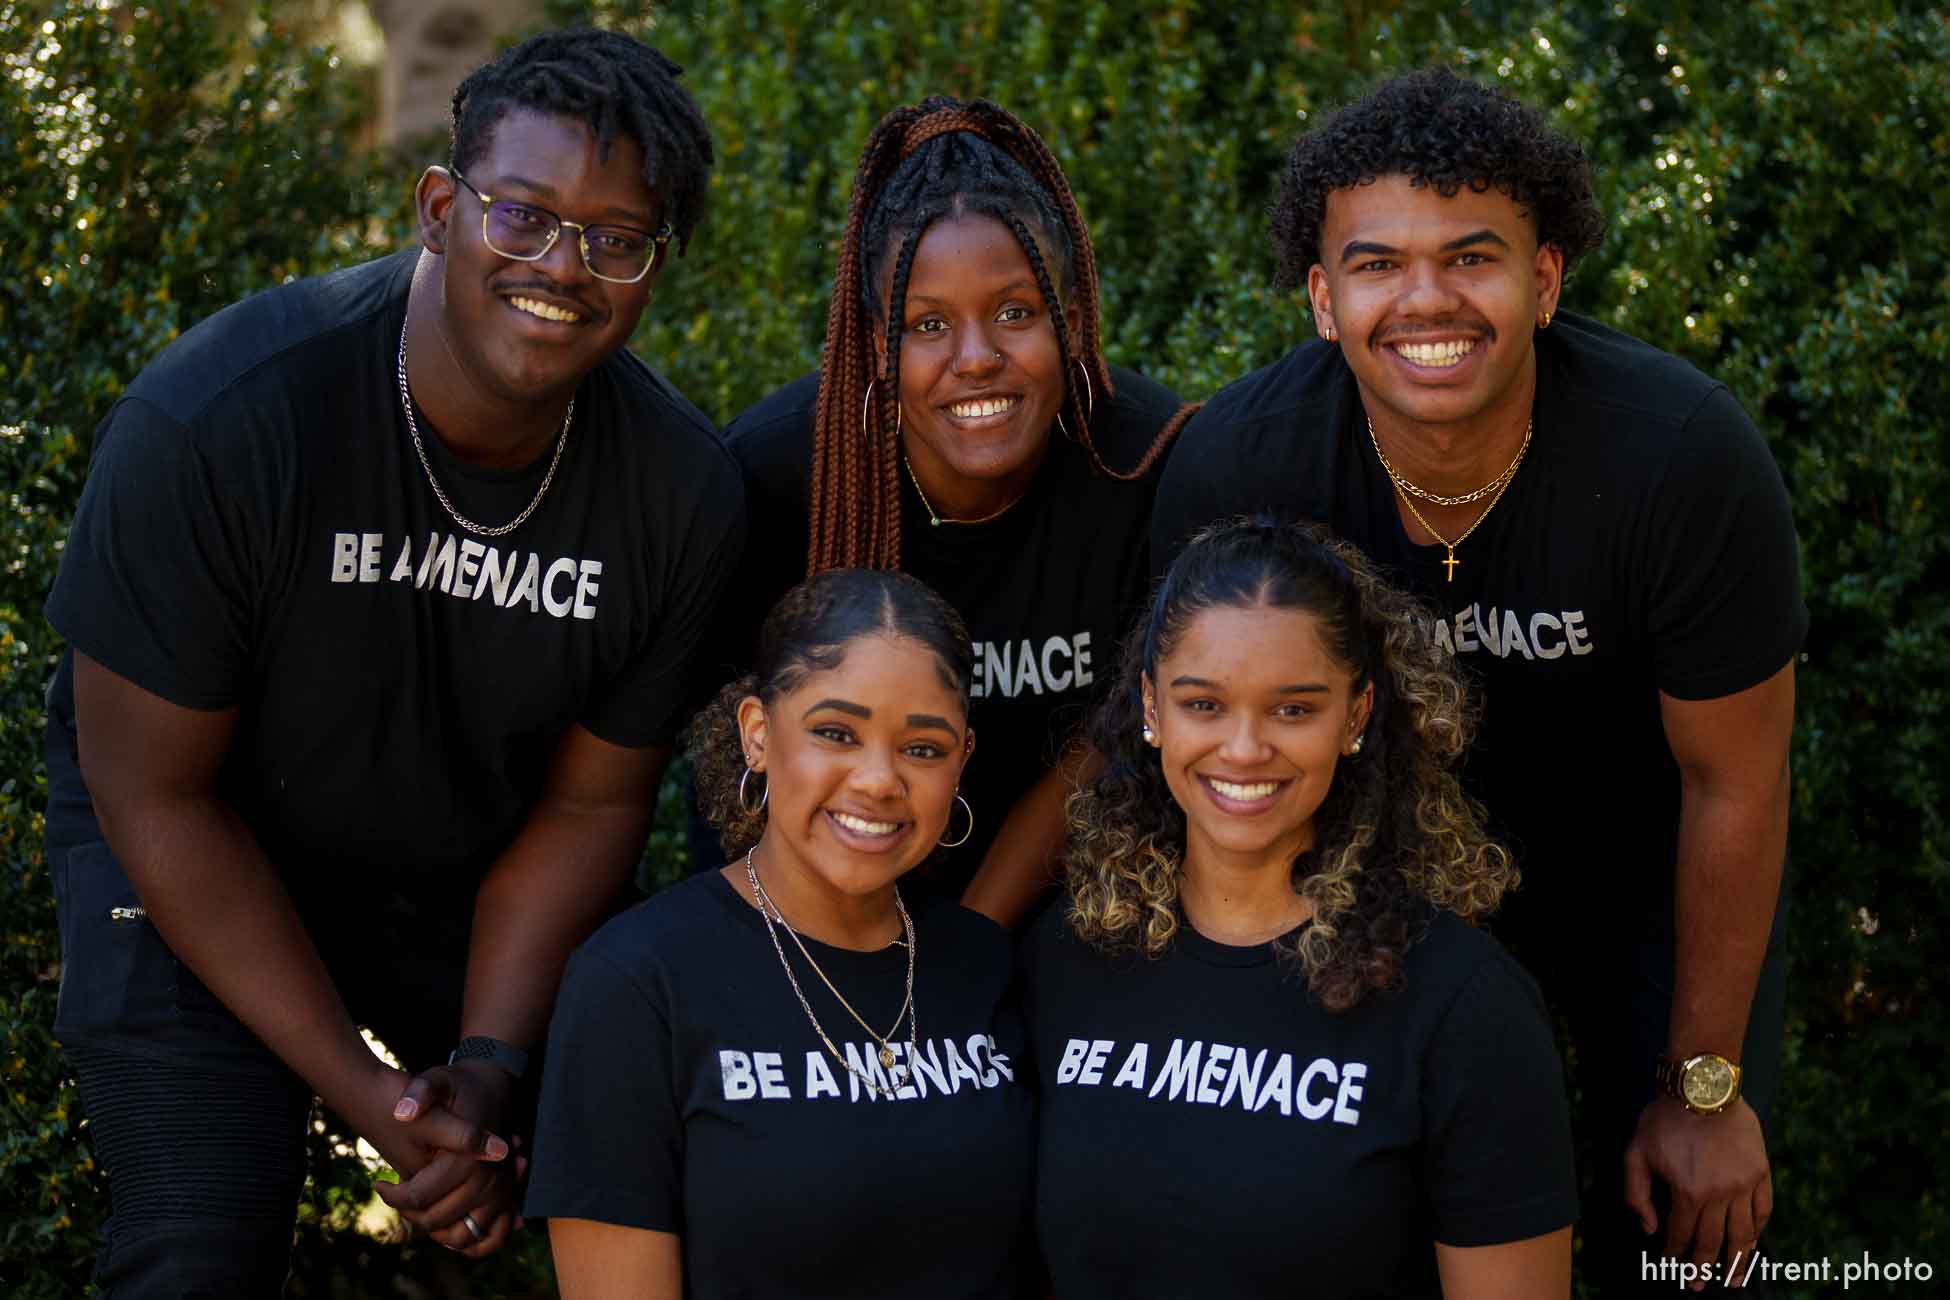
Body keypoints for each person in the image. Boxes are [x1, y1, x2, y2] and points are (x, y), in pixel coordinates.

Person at [41, 28, 741, 1294]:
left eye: (617, 238)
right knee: (195, 1250)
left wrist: (487, 1064)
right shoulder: (220, 423)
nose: (563, 267)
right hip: (195, 846)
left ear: (650, 270)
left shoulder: (678, 495)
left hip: (461, 872)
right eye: (522, 214)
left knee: (661, 1141)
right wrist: (371, 1094)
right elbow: (154, 792)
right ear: (438, 207)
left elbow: (591, 802)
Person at [1151, 67, 1803, 1295]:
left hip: (1645, 894)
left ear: (1544, 280)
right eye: (1377, 263)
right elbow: (1203, 764)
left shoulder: (1681, 457)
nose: (1426, 299)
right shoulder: (1243, 462)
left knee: (1690, 1239)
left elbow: (1737, 782)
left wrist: (1705, 1087)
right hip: (1368, 889)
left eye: (1472, 256)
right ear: (1321, 299)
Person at [1023, 516, 1576, 1298]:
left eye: (1293, 709)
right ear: (1152, 709)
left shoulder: (1464, 1007)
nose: (1244, 750)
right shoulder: (1068, 956)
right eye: (1204, 705)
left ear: (1354, 716)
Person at [708, 96, 1193, 926]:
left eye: (1014, 312)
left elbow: (1114, 741)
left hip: (1075, 915)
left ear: (1071, 319)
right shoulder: (777, 474)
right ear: (874, 343)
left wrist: (971, 948)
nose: (977, 359)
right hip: (812, 914)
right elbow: (737, 756)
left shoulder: (1149, 464)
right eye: (927, 323)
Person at [527, 568, 1034, 1299]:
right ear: (759, 735)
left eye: (923, 748)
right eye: (835, 733)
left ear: (963, 760)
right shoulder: (637, 981)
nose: (878, 780)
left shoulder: (984, 961)